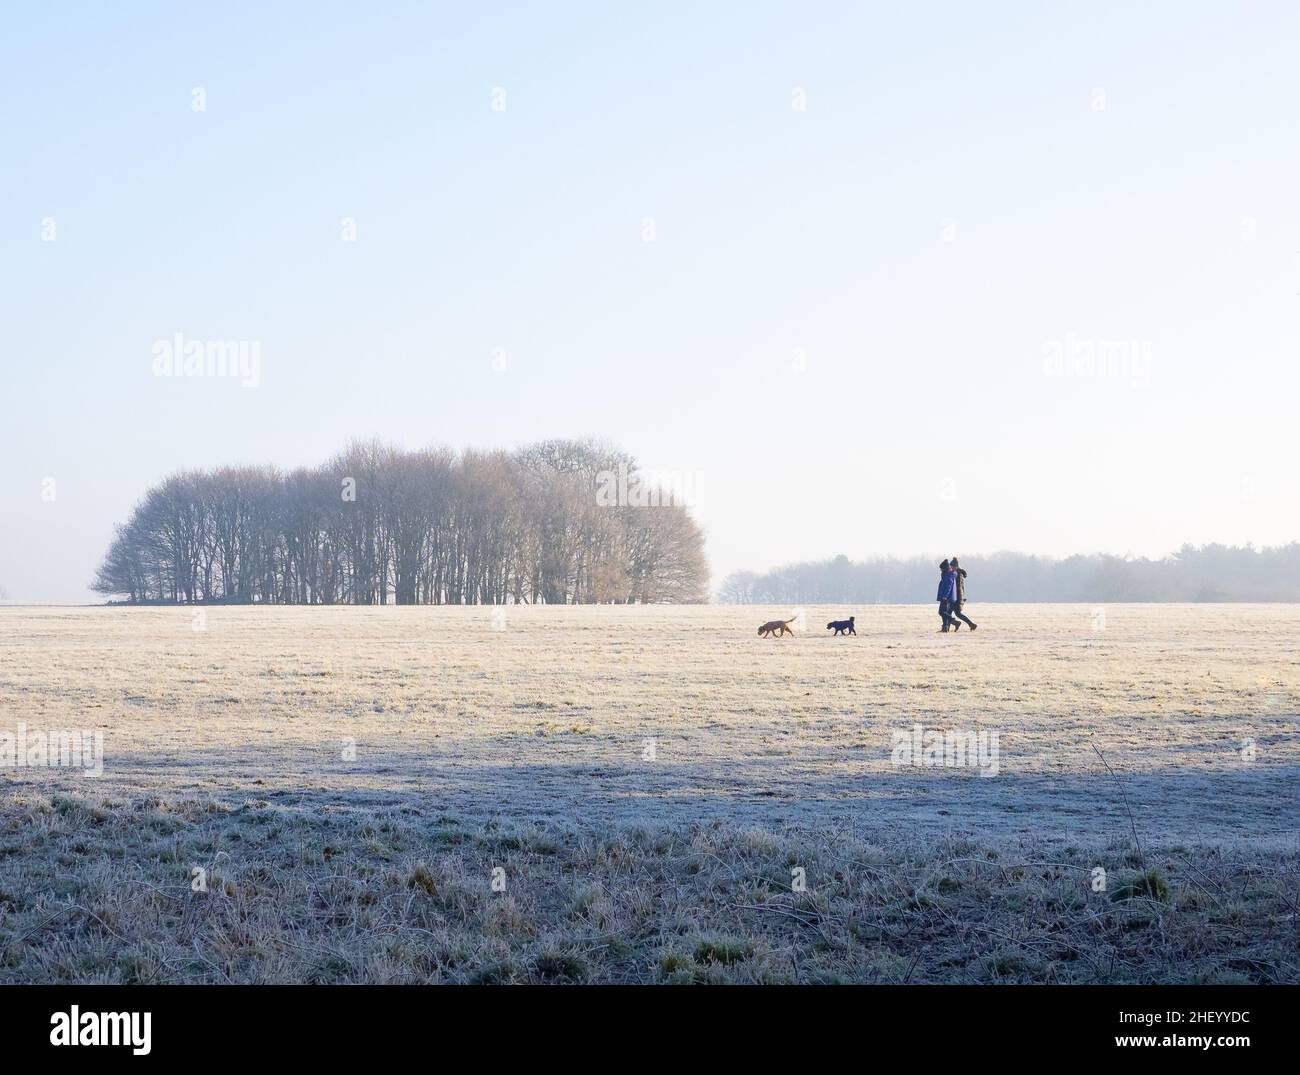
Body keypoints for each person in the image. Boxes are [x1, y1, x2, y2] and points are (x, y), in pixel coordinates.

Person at [948, 556, 977, 632]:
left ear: (955, 566)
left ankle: (948, 627)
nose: (950, 568)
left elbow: (955, 587)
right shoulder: (959, 572)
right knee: (956, 613)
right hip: (957, 596)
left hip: (956, 596)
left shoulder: (957, 574)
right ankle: (971, 625)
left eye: (951, 567)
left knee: (948, 613)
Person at [936, 559, 958, 632]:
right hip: (945, 596)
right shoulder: (948, 574)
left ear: (945, 568)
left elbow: (948, 586)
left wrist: (945, 596)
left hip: (946, 597)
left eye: (941, 569)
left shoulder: (948, 575)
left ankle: (955, 622)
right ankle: (945, 628)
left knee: (941, 612)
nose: (941, 570)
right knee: (943, 612)